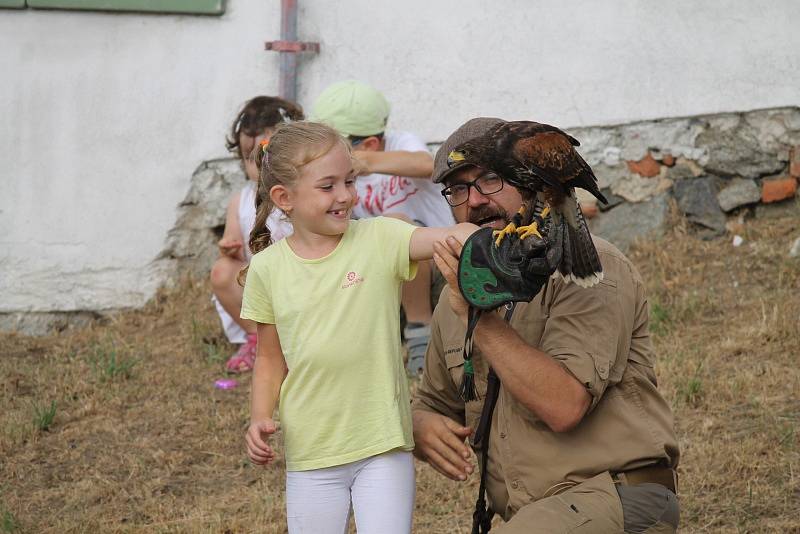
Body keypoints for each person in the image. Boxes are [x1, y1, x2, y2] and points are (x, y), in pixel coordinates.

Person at [411, 118, 681, 533]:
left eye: (489, 179)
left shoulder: (589, 266)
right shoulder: (459, 294)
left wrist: (478, 315)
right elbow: (429, 402)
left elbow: (564, 405)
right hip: (531, 516)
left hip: (615, 495)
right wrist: (420, 425)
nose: (476, 201)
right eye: (459, 189)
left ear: (527, 179)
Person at [241, 121, 477, 534]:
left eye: (349, 181)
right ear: (285, 198)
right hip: (313, 452)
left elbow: (441, 239)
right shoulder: (267, 269)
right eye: (328, 186)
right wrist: (259, 416)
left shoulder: (380, 237)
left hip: (382, 444)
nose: (346, 196)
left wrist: (472, 233)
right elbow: (269, 358)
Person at [312, 80, 455, 374]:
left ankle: (420, 332)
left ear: (369, 144)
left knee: (395, 228)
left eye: (329, 147)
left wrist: (366, 162)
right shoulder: (337, 183)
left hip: (441, 269)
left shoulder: (402, 143)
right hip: (383, 283)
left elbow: (427, 164)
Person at [210, 96, 304, 373]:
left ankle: (293, 342)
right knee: (222, 272)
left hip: (301, 280)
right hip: (262, 284)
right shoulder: (239, 201)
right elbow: (233, 245)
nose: (260, 165)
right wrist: (229, 248)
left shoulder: (301, 194)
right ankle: (258, 338)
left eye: (268, 154)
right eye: (251, 158)